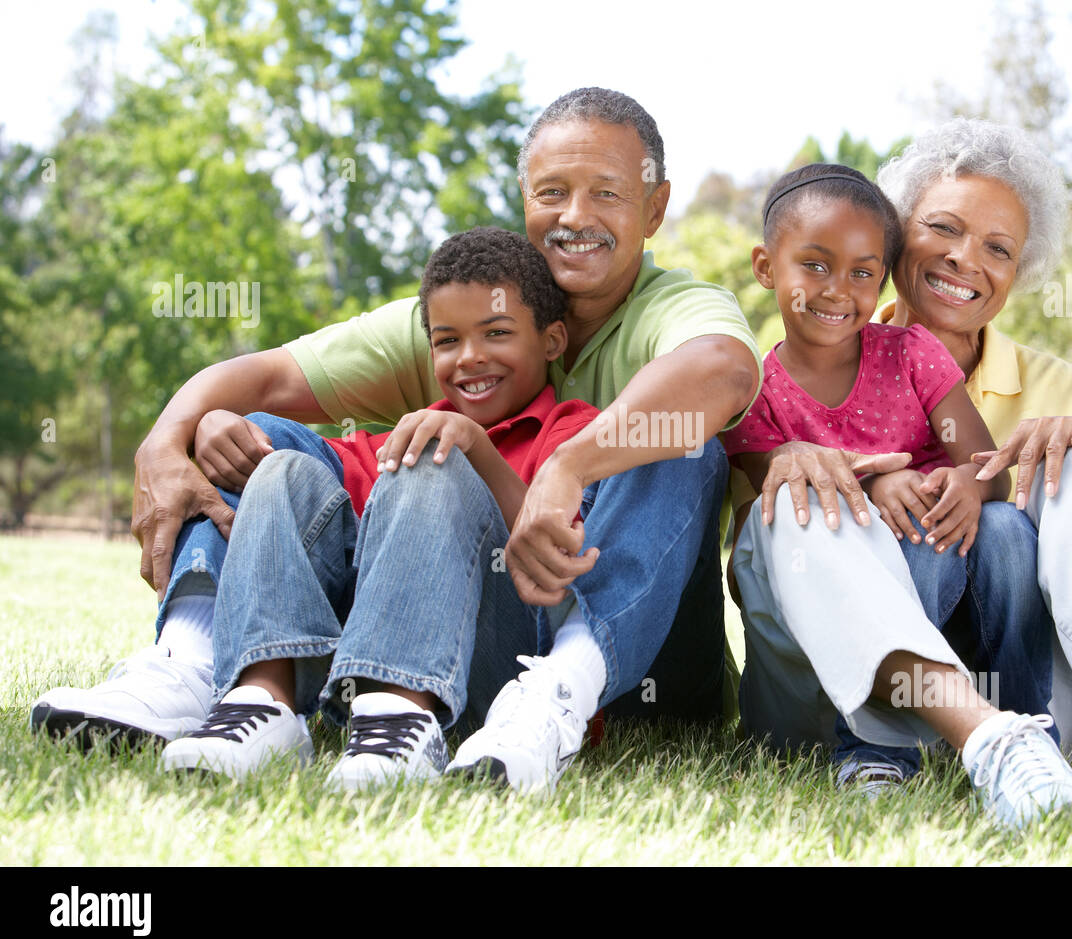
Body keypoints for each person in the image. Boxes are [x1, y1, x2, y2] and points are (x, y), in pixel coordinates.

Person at [32, 88, 769, 794]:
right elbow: (257, 380)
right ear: (524, 202)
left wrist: (568, 467)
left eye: (606, 191)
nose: (575, 215)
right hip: (474, 626)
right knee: (250, 437)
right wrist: (167, 439)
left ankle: (556, 695)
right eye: (551, 192)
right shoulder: (468, 310)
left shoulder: (677, 306)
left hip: (628, 656)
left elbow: (725, 371)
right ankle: (200, 662)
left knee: (679, 441)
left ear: (655, 206)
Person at [738, 119, 1072, 831]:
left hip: (1025, 686)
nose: (966, 260)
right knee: (803, 489)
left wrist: (1013, 478)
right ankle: (906, 742)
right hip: (838, 683)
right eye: (944, 228)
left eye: (998, 248)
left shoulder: (1061, 386)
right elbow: (757, 554)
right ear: (895, 235)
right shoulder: (764, 380)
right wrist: (833, 477)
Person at [157, 227, 602, 787]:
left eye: (497, 333)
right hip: (351, 667)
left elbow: (566, 573)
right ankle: (264, 701)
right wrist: (218, 422)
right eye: (447, 341)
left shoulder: (575, 436)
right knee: (281, 467)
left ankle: (402, 714)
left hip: (498, 669)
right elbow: (305, 479)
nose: (470, 358)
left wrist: (477, 449)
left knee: (431, 461)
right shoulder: (404, 437)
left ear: (553, 341)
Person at [727, 164, 1072, 828]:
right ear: (765, 266)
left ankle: (1029, 732)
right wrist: (875, 482)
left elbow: (987, 467)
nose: (839, 291)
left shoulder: (912, 354)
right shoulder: (753, 392)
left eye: (864, 273)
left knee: (1006, 527)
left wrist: (965, 482)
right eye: (815, 265)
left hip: (954, 575)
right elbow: (775, 511)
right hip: (859, 606)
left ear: (884, 278)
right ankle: (879, 750)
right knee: (908, 532)